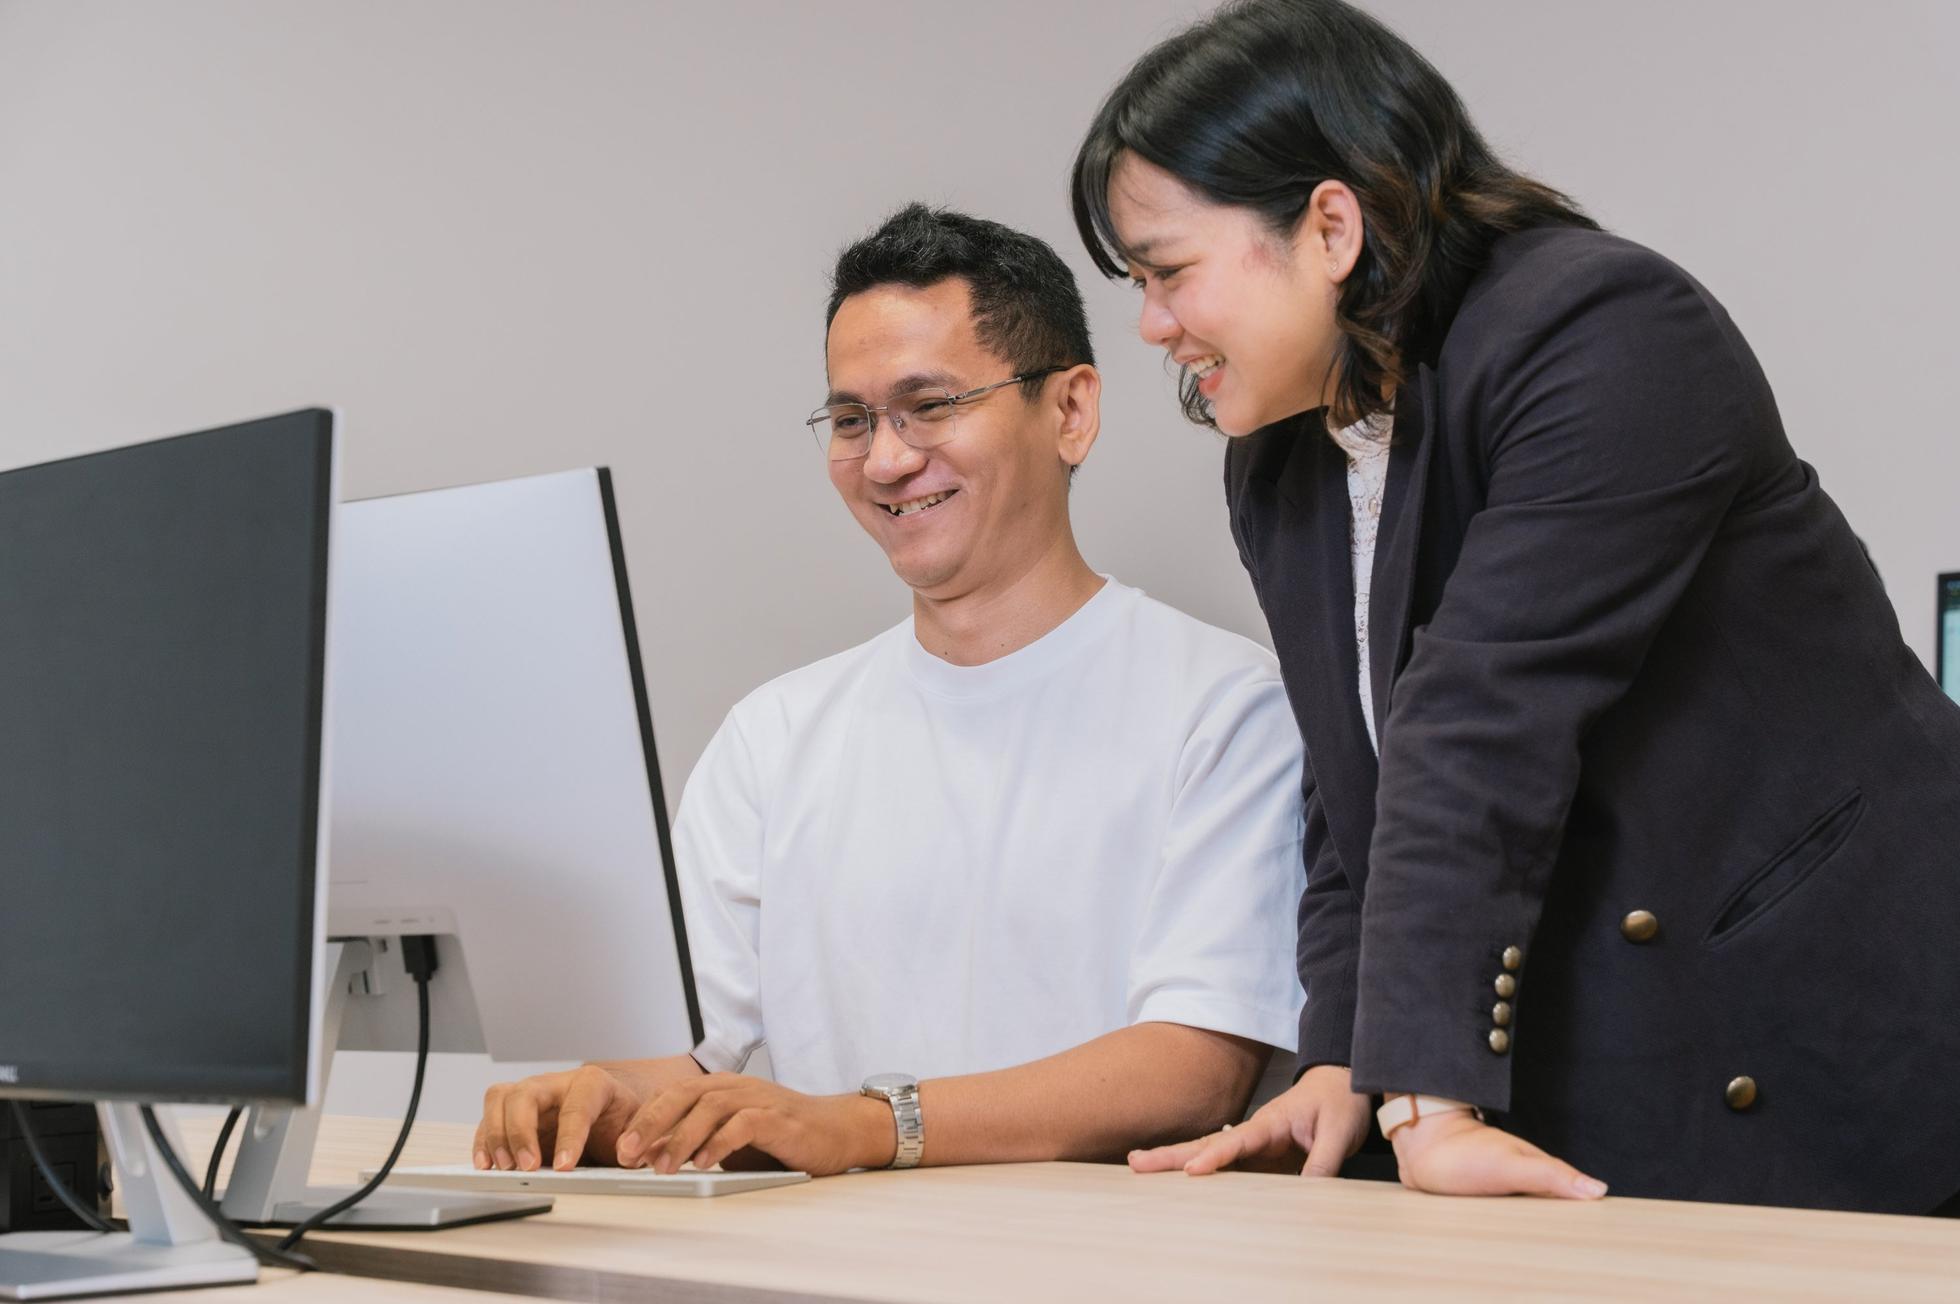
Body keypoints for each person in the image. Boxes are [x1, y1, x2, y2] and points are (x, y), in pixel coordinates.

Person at [1070, 0, 1960, 1212]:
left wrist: (1424, 1090)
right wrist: (1344, 1053)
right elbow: (1351, 787)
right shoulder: (1279, 458)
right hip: (1613, 1058)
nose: (1151, 324)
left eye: (1168, 271)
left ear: (1329, 225)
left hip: (1849, 1030)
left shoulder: (1605, 328)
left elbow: (1478, 715)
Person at [472, 205, 1306, 1179]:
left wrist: (869, 1126)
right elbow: (684, 1057)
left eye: (930, 405)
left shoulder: (1225, 707)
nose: (885, 460)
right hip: (828, 1254)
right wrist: (597, 1101)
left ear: (1070, 411)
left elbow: (1192, 1068)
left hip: (1107, 1250)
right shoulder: (774, 735)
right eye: (852, 420)